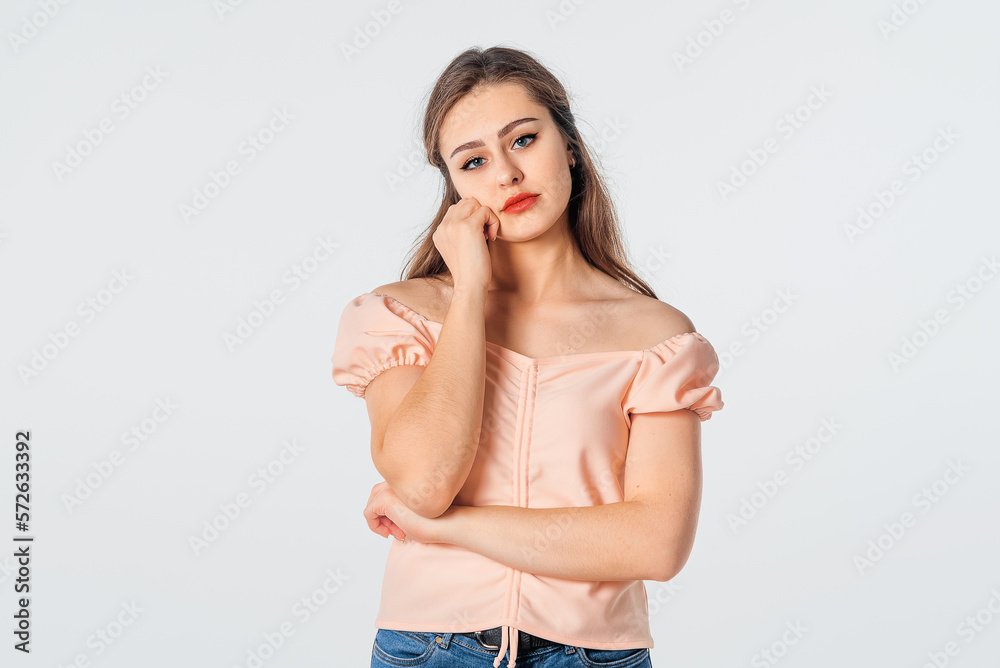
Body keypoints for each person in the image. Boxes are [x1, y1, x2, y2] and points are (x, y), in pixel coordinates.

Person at [331, 45, 724, 668]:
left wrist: (447, 530)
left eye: (523, 139)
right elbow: (425, 482)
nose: (506, 175)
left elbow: (656, 543)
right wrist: (469, 295)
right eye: (474, 161)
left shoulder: (655, 335)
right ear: (454, 187)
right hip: (430, 650)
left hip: (593, 655)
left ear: (568, 144)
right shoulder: (399, 316)